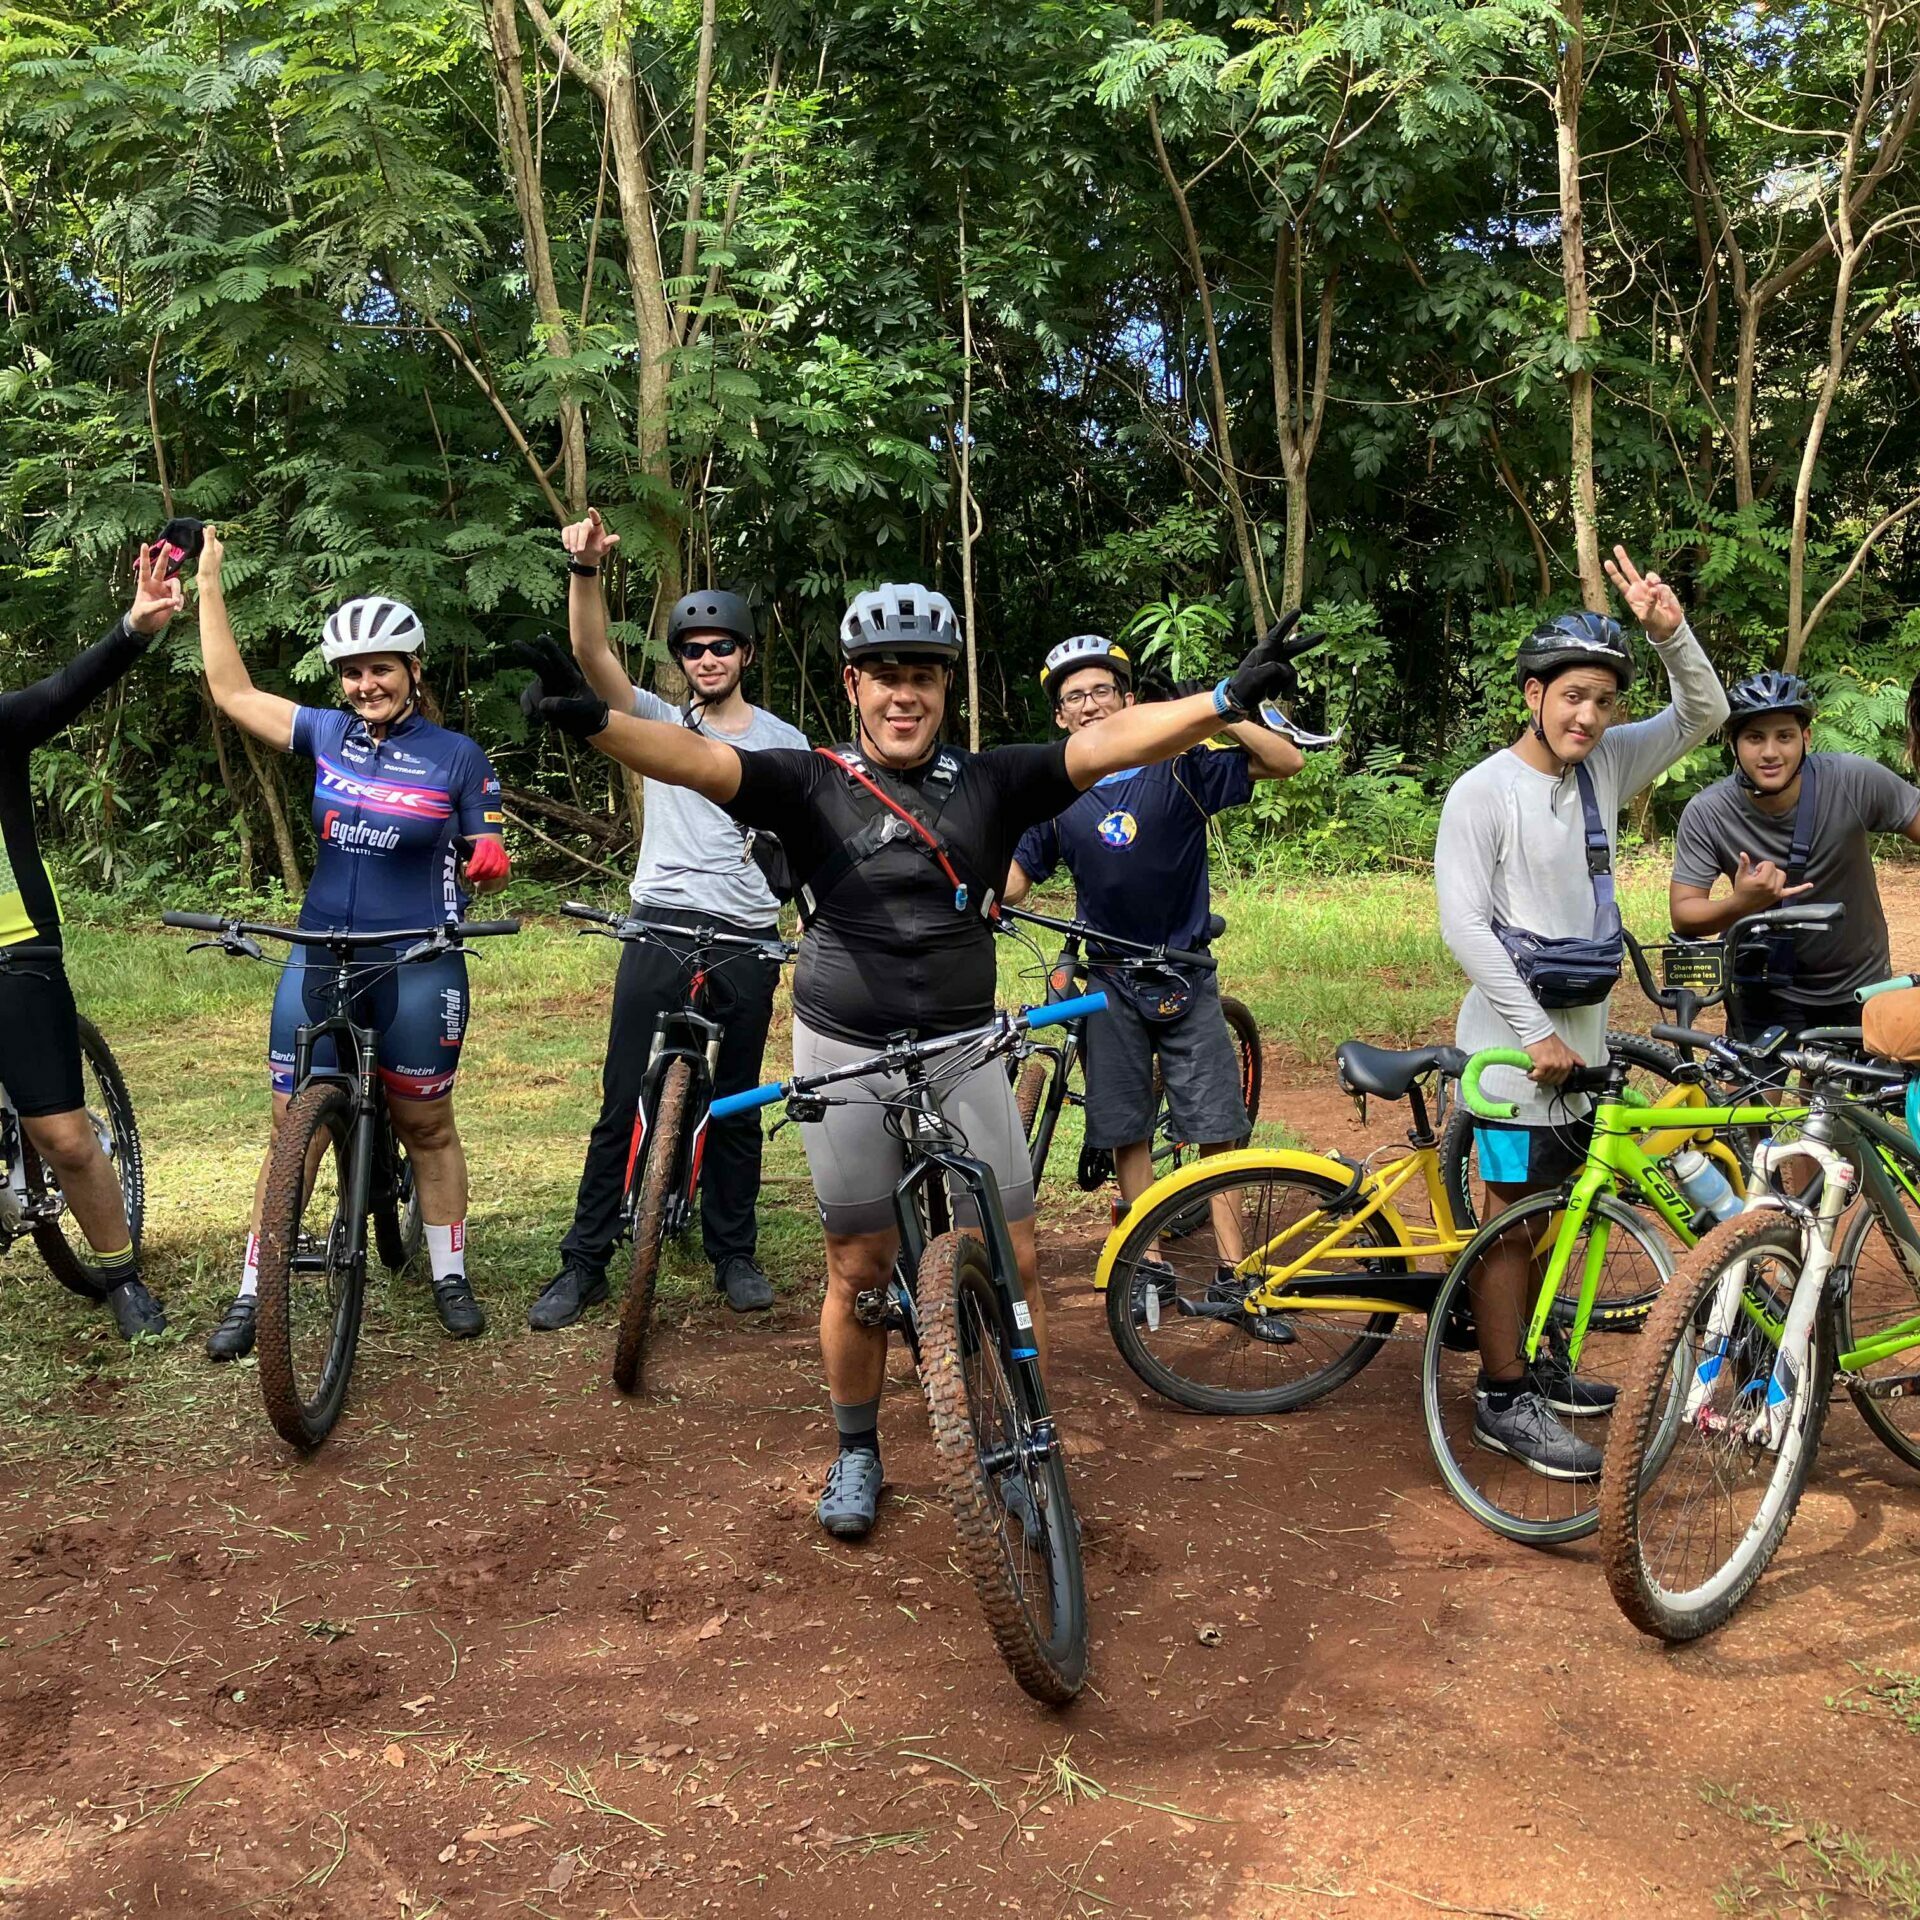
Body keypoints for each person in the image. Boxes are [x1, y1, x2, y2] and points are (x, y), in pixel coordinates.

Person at [517, 587, 1304, 1540]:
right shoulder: (807, 780)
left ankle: (1023, 1437)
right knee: (856, 1268)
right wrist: (601, 723)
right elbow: (693, 757)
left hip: (963, 1047)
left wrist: (1222, 699)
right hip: (844, 1052)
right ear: (854, 683)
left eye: (922, 676)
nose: (904, 694)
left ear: (944, 688)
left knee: (1015, 1256)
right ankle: (857, 1448)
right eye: (885, 674)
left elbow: (1114, 745)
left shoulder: (994, 780)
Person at [1435, 545, 1728, 1480]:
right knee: (1511, 1217)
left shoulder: (1605, 766)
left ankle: (1542, 1367)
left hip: (1582, 1035)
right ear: (1532, 694)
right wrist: (1532, 1035)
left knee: (1562, 1210)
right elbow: (1466, 930)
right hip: (1516, 1048)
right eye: (1571, 696)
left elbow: (1707, 712)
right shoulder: (1482, 793)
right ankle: (1502, 1394)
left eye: (1603, 699)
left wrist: (1671, 633)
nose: (1589, 715)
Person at [194, 528, 510, 1359]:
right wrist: (210, 582)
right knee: (293, 1126)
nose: (364, 683)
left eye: (380, 668)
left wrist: (487, 862)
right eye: (351, 671)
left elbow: (488, 844)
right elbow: (230, 690)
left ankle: (448, 1272)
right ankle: (256, 1287)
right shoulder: (326, 734)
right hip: (319, 949)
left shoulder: (457, 756)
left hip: (417, 958)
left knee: (426, 1124)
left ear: (412, 672)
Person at [529, 510, 807, 1329]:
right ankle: (584, 1261)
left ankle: (734, 1252)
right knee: (621, 1100)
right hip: (660, 922)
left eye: (722, 646)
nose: (708, 658)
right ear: (681, 661)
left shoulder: (786, 742)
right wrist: (584, 571)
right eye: (693, 649)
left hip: (749, 935)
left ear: (746, 654)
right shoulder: (657, 716)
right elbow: (591, 658)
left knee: (738, 1102)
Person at [1002, 633, 1301, 1214]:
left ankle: (1232, 1267)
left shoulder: (1181, 767)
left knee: (1216, 1127)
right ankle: (1147, 1261)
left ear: (1130, 700)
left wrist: (1223, 710)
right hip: (1109, 980)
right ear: (1061, 716)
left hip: (1186, 969)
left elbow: (1286, 761)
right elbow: (1015, 878)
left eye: (1102, 692)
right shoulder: (1054, 795)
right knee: (1126, 1128)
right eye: (1075, 698)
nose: (1090, 705)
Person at [0, 543, 183, 1339]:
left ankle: (120, 1274)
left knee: (66, 1137)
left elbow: (65, 690)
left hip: (12, 950)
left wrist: (135, 627)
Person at [1670, 671, 1920, 1038]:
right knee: (1753, 1094)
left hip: (1856, 982)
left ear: (1806, 738)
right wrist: (1742, 902)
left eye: (1784, 736)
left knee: (1839, 1094)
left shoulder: (1853, 780)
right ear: (1733, 744)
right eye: (1755, 738)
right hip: (1762, 982)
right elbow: (1684, 914)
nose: (1770, 752)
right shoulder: (1708, 812)